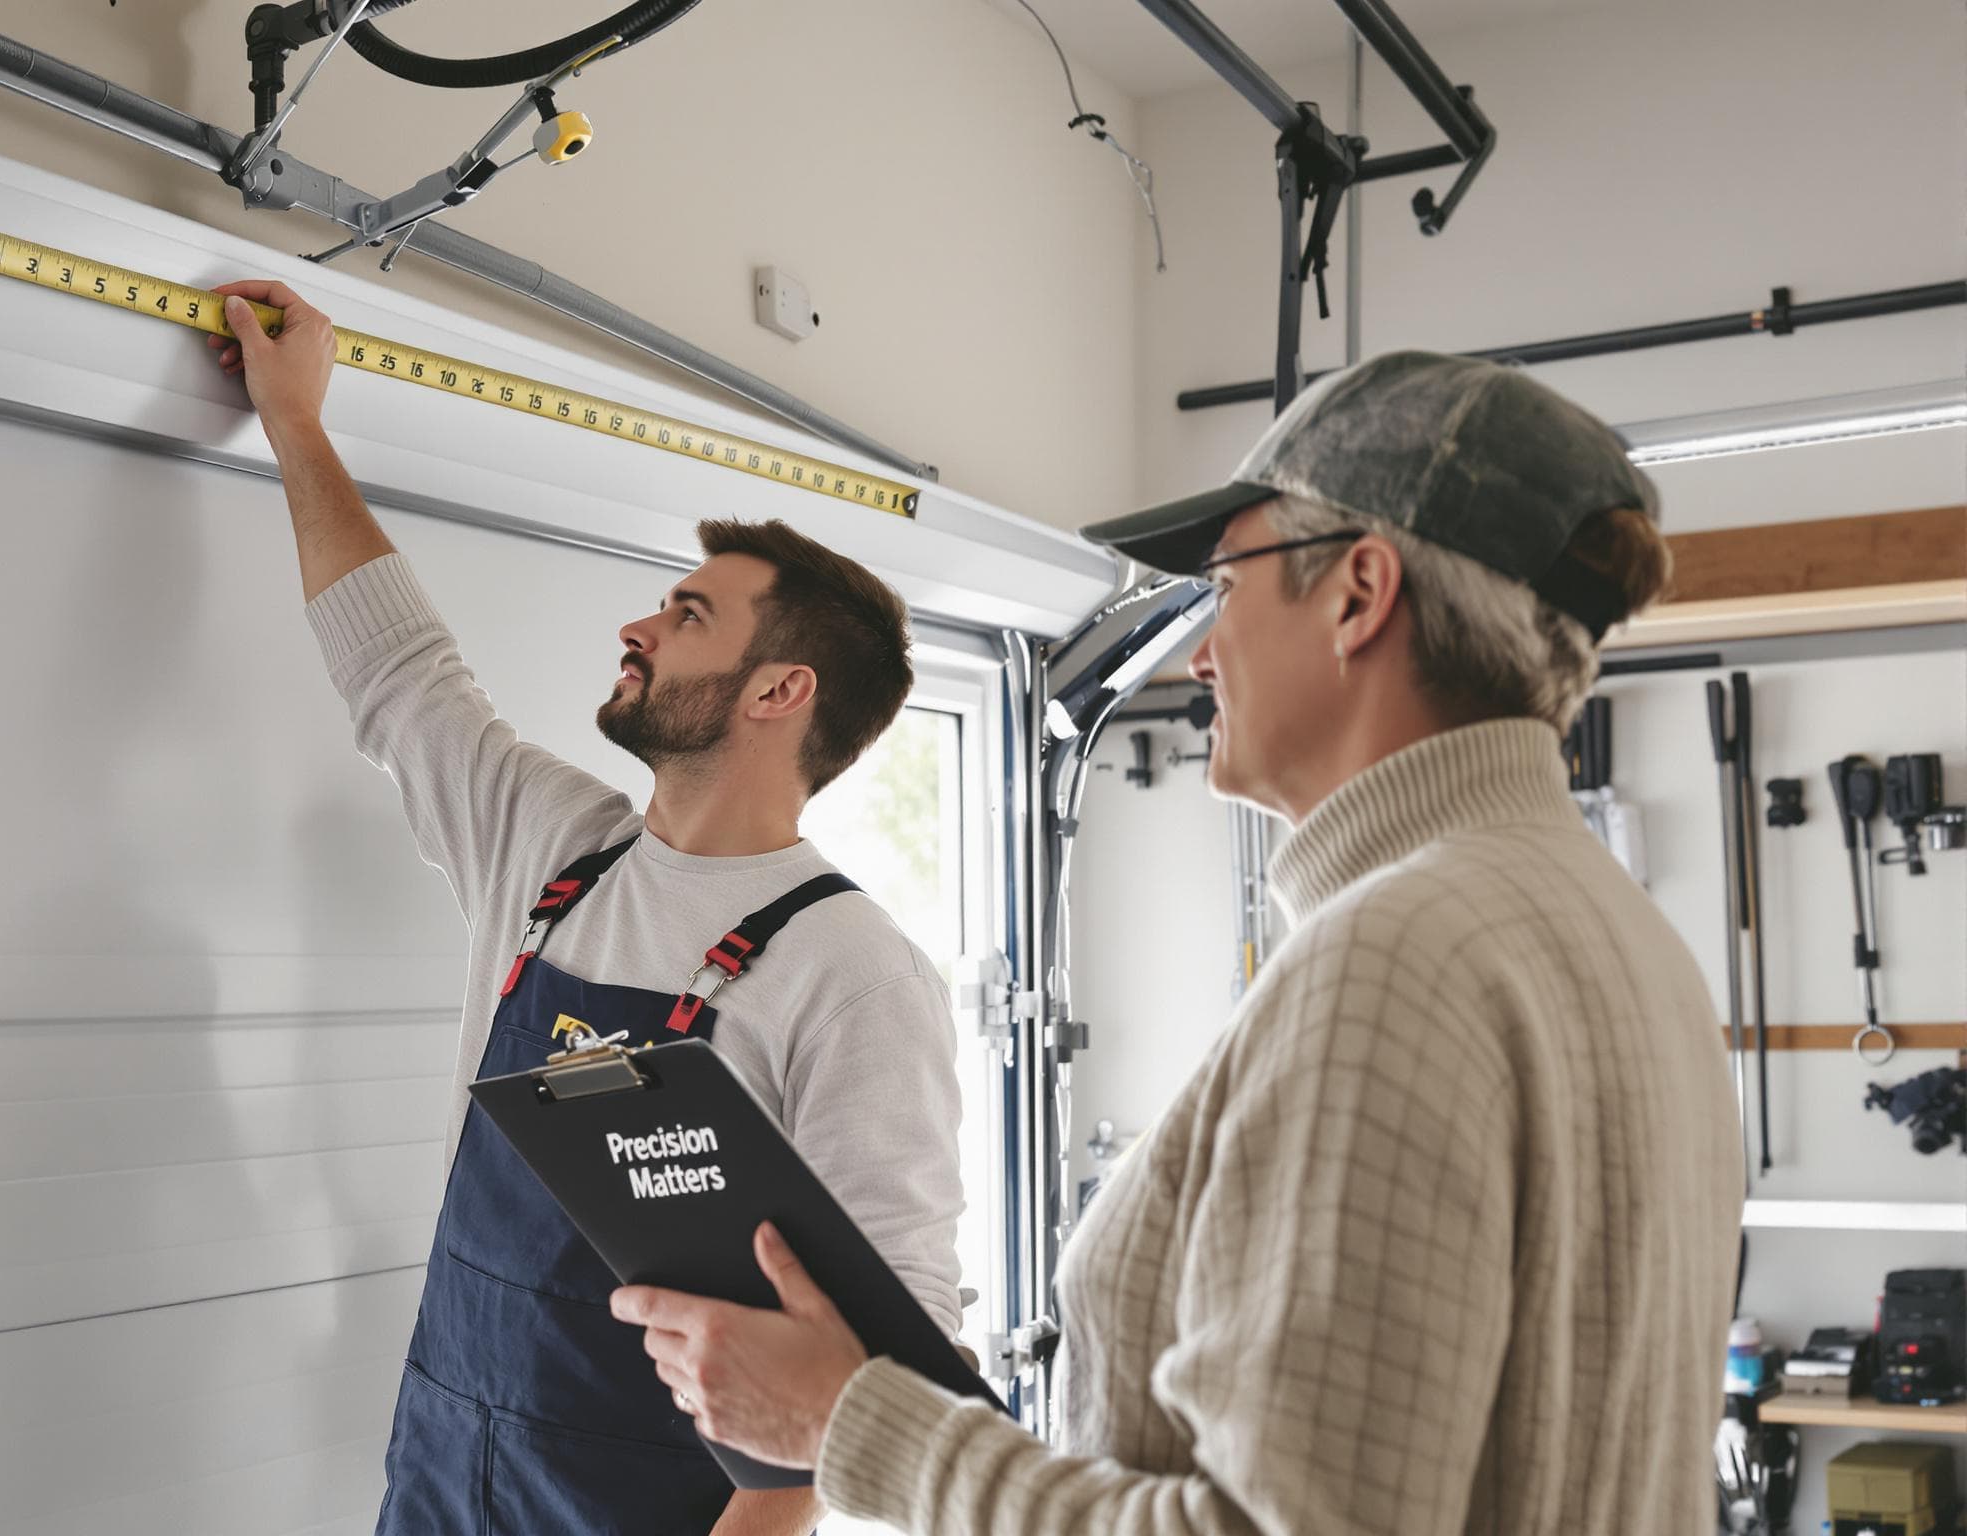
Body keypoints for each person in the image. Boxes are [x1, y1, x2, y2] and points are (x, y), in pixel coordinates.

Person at [614, 350, 1745, 1535]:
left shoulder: (1395, 964)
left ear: (1359, 594)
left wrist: (848, 1426)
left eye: (1226, 588)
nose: (1198, 654)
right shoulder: (1621, 935)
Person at [206, 277, 966, 1536]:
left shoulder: (852, 972)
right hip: (441, 1483)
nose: (638, 625)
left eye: (685, 615)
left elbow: (875, 1367)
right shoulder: (554, 851)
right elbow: (399, 673)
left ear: (778, 692)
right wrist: (299, 425)